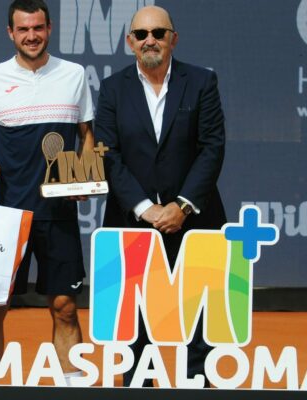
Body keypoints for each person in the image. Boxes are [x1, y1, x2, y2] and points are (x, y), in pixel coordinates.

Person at [94, 5, 227, 387]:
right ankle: (139, 384)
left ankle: (197, 382)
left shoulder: (201, 82)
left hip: (194, 219)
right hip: (131, 219)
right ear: (129, 42)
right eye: (140, 34)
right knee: (134, 315)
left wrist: (182, 205)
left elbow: (212, 148)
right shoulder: (113, 88)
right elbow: (107, 152)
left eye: (158, 32)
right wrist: (145, 208)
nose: (149, 39)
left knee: (199, 312)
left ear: (173, 39)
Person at [0, 0, 95, 386]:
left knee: (65, 307)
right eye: (23, 29)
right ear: (11, 33)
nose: (31, 36)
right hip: (7, 215)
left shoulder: (73, 75)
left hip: (59, 216)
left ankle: (72, 385)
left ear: (49, 28)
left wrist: (84, 176)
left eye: (37, 28)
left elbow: (88, 136)